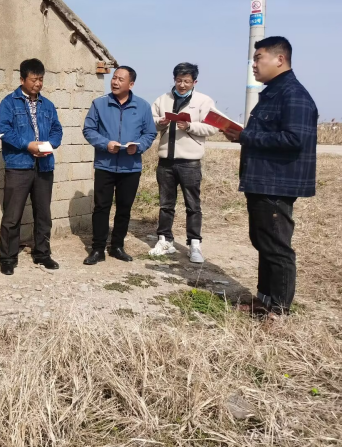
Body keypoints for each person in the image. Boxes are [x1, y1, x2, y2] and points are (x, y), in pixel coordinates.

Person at [223, 37, 317, 317]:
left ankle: (279, 310)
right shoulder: (274, 92)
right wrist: (242, 135)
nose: (253, 65)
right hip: (263, 180)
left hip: (276, 183)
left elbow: (294, 139)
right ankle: (264, 300)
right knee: (264, 242)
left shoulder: (293, 94)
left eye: (258, 58)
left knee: (277, 247)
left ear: (280, 59)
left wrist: (246, 136)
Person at [82, 66, 157, 265]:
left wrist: (138, 146)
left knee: (124, 208)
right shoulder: (99, 104)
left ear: (130, 84)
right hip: (105, 165)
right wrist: (105, 144)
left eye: (120, 79)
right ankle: (98, 249)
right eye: (114, 78)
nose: (115, 82)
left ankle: (117, 246)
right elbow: (89, 130)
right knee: (101, 208)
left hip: (130, 167)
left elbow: (150, 133)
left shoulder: (142, 106)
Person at [0, 58, 63, 275]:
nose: (38, 84)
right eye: (34, 79)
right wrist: (28, 145)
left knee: (43, 214)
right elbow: (4, 131)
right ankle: (7, 257)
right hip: (18, 165)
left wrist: (49, 145)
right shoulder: (9, 103)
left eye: (41, 79)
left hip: (44, 166)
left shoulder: (47, 105)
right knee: (12, 215)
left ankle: (42, 253)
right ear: (22, 79)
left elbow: (57, 130)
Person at [149, 63, 218, 263]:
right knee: (165, 204)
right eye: (179, 80)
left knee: (193, 205)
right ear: (174, 79)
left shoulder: (204, 101)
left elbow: (213, 127)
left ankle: (194, 244)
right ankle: (165, 240)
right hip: (166, 161)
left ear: (194, 82)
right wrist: (159, 122)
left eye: (187, 81)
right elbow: (149, 121)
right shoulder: (163, 99)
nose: (182, 85)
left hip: (190, 162)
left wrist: (190, 126)